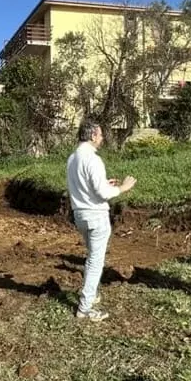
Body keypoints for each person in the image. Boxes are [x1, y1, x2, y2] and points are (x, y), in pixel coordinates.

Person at [66, 121, 135, 322]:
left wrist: (104, 183)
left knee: (91, 257)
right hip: (96, 215)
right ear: (92, 136)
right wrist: (123, 188)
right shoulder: (93, 160)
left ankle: (93, 294)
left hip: (80, 214)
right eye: (101, 135)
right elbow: (103, 193)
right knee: (96, 261)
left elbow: (84, 186)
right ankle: (85, 308)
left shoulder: (72, 158)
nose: (102, 138)